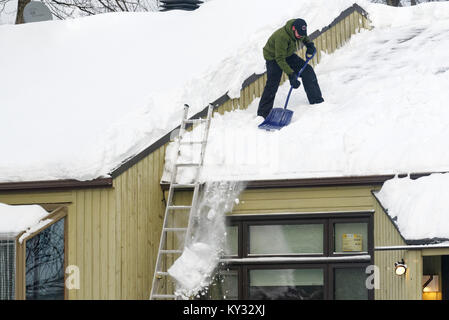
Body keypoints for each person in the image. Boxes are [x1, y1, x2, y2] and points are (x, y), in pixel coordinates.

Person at [256, 18, 324, 120]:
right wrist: (291, 75)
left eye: (302, 34)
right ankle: (262, 114)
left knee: (308, 71)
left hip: (287, 54)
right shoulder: (282, 37)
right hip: (273, 57)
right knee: (273, 83)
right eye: (299, 34)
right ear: (293, 29)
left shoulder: (299, 29)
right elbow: (280, 59)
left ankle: (316, 101)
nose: (300, 36)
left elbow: (304, 37)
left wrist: (309, 44)